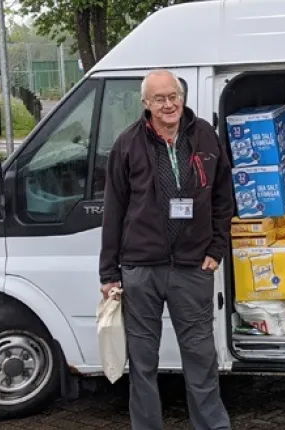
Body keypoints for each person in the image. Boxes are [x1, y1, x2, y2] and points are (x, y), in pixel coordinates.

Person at [99, 69, 234, 430]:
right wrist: (109, 274)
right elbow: (114, 211)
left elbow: (224, 197)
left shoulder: (205, 135)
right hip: (141, 269)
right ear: (146, 104)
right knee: (142, 362)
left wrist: (216, 248)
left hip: (192, 268)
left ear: (182, 96)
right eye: (159, 99)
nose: (169, 104)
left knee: (201, 358)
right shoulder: (127, 144)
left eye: (173, 95)